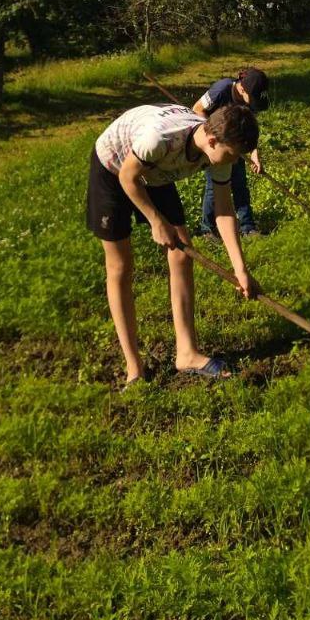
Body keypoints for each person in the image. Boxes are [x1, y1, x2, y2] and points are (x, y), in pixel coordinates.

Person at [86, 101, 259, 387]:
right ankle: (134, 369)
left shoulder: (216, 150)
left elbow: (224, 210)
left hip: (154, 170)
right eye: (231, 155)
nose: (233, 161)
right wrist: (156, 221)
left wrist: (240, 269)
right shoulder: (161, 140)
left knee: (181, 254)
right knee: (120, 266)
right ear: (213, 140)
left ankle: (187, 353)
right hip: (114, 165)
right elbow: (128, 177)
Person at [194, 67, 269, 238]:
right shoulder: (221, 90)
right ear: (242, 88)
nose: (254, 103)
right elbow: (197, 109)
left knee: (240, 184)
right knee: (214, 186)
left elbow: (249, 130)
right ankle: (207, 229)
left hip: (236, 144)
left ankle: (247, 227)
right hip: (216, 146)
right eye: (253, 97)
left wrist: (254, 154)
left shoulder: (250, 100)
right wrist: (216, 138)